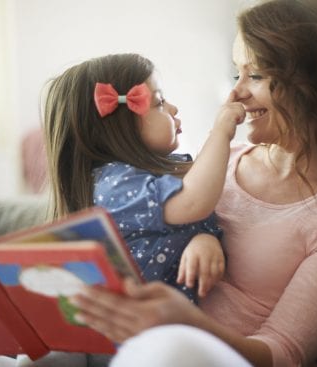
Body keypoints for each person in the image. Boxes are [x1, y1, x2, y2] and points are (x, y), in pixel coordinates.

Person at [67, 1, 317, 366]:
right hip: (138, 348)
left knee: (167, 350)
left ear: (312, 83)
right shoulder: (215, 164)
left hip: (214, 357)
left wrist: (187, 324)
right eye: (236, 73)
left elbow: (283, 354)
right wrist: (201, 236)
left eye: (254, 75)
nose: (236, 92)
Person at [42, 53, 245, 302]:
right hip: (133, 328)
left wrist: (204, 238)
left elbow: (194, 216)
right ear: (120, 124)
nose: (173, 108)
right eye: (160, 102)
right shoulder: (113, 187)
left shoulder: (163, 175)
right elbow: (194, 203)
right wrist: (221, 132)